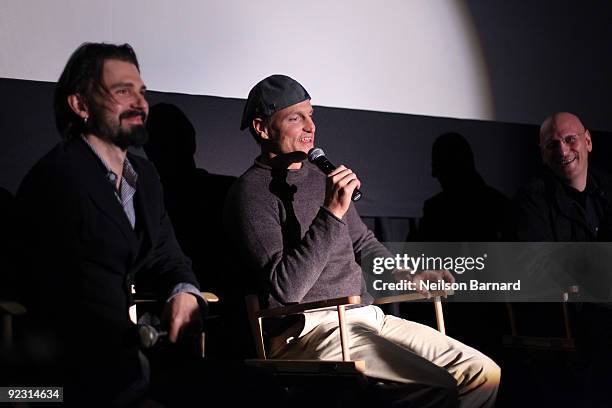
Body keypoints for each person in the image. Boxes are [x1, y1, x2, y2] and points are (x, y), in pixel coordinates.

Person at [224, 74, 500, 407]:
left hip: (366, 317)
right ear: (262, 128)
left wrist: (407, 275)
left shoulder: (320, 177)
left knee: (482, 373)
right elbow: (286, 290)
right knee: (436, 386)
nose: (310, 126)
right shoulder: (250, 193)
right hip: (312, 329)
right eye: (296, 118)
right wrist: (331, 213)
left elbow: (363, 243)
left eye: (311, 115)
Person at [15, 42, 205, 407]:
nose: (140, 103)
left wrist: (184, 291)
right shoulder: (57, 180)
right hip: (61, 385)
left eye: (142, 91)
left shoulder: (145, 177)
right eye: (122, 91)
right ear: (81, 105)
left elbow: (167, 254)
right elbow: (59, 301)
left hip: (129, 368)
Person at [513, 112, 612, 406]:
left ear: (588, 141)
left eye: (570, 140)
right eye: (552, 145)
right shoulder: (531, 200)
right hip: (567, 312)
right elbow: (541, 263)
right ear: (543, 154)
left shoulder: (609, 189)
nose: (563, 151)